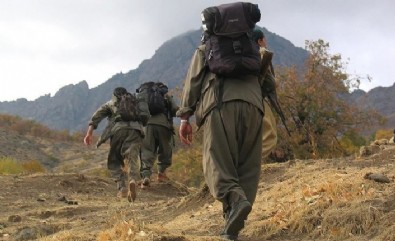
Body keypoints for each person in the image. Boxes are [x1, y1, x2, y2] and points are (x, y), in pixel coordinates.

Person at [177, 28, 265, 241]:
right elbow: (269, 83)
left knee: (216, 161)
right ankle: (231, 225)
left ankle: (235, 201)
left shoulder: (205, 49)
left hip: (219, 104)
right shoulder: (254, 49)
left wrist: (185, 117)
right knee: (247, 165)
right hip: (254, 106)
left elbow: (193, 83)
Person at [83, 87, 144, 202]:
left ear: (114, 95)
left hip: (118, 131)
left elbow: (97, 116)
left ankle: (122, 188)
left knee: (114, 161)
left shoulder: (111, 103)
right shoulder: (135, 102)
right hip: (136, 131)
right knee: (132, 158)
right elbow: (145, 116)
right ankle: (133, 180)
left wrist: (89, 133)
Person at [139, 83, 179, 187]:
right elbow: (175, 109)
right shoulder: (164, 95)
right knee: (165, 149)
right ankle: (161, 173)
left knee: (147, 149)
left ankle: (146, 175)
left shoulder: (146, 96)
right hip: (163, 124)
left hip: (147, 125)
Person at [252, 29, 278, 159]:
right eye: (264, 39)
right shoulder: (261, 54)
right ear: (259, 41)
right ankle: (250, 166)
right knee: (270, 135)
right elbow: (270, 83)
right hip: (255, 99)